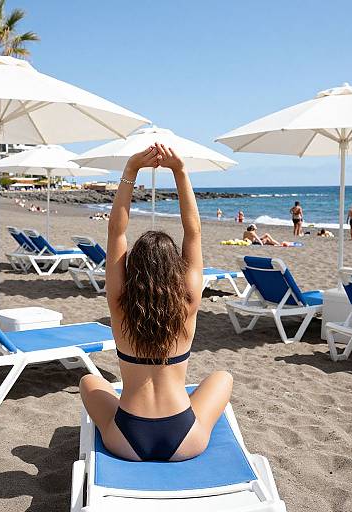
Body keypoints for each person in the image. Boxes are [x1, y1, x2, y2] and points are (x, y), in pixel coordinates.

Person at [80, 143, 232, 462]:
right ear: (176, 269)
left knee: (88, 380)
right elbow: (194, 233)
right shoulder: (188, 300)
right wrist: (180, 171)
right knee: (223, 378)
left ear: (132, 267)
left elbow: (115, 232)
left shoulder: (120, 303)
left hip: (125, 439)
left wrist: (130, 171)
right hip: (185, 438)